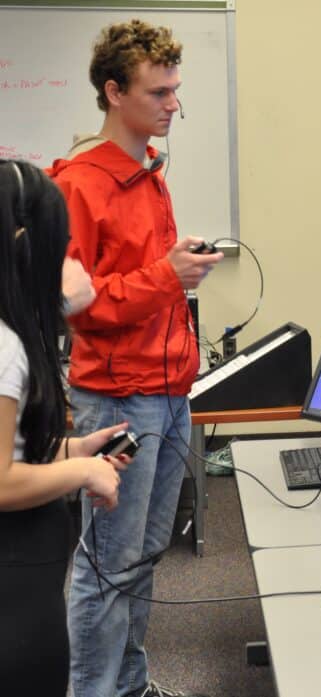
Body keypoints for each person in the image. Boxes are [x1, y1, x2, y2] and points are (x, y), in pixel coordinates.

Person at [48, 19, 223, 697]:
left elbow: (146, 281)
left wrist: (176, 274)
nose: (172, 103)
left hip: (168, 394)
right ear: (114, 91)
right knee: (106, 565)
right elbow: (79, 305)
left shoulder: (150, 171)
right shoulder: (78, 184)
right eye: (158, 92)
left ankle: (127, 683)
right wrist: (168, 276)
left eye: (176, 89)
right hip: (119, 400)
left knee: (144, 557)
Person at [0, 159, 129, 697]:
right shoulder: (6, 349)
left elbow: (16, 448)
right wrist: (81, 470)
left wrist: (74, 449)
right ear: (27, 245)